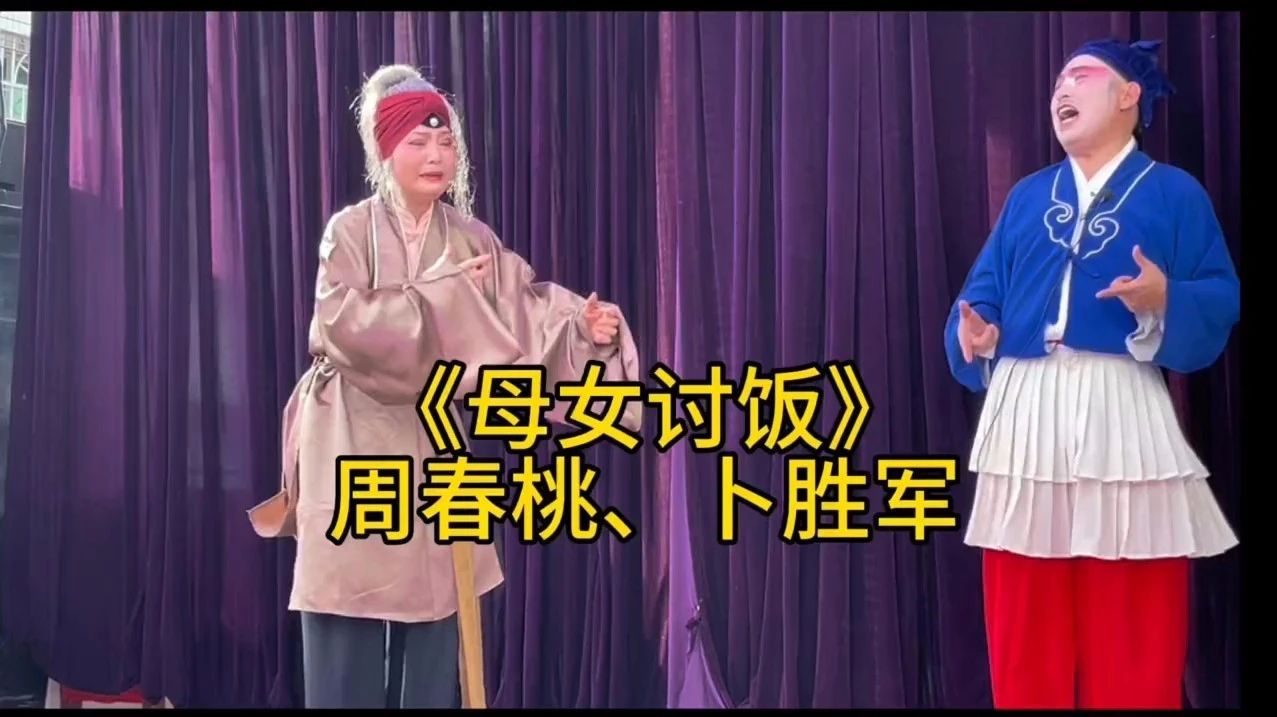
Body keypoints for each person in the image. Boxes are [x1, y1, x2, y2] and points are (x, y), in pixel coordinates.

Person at [246, 64, 642, 708]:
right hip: (351, 438)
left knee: (434, 625)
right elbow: (343, 326)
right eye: (418, 142)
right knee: (345, 620)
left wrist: (582, 329)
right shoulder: (350, 231)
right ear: (386, 150)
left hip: (433, 444)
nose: (436, 155)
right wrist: (443, 295)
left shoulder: (470, 238)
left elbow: (522, 313)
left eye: (446, 142)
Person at [943, 39, 1240, 710]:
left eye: (1079, 76)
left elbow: (1219, 295)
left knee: (1132, 613)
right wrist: (977, 335)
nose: (1060, 92)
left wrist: (1166, 299)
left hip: (1120, 406)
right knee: (1024, 619)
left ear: (1129, 95)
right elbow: (980, 292)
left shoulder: (1173, 193)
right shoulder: (1027, 197)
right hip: (1024, 411)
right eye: (1056, 83)